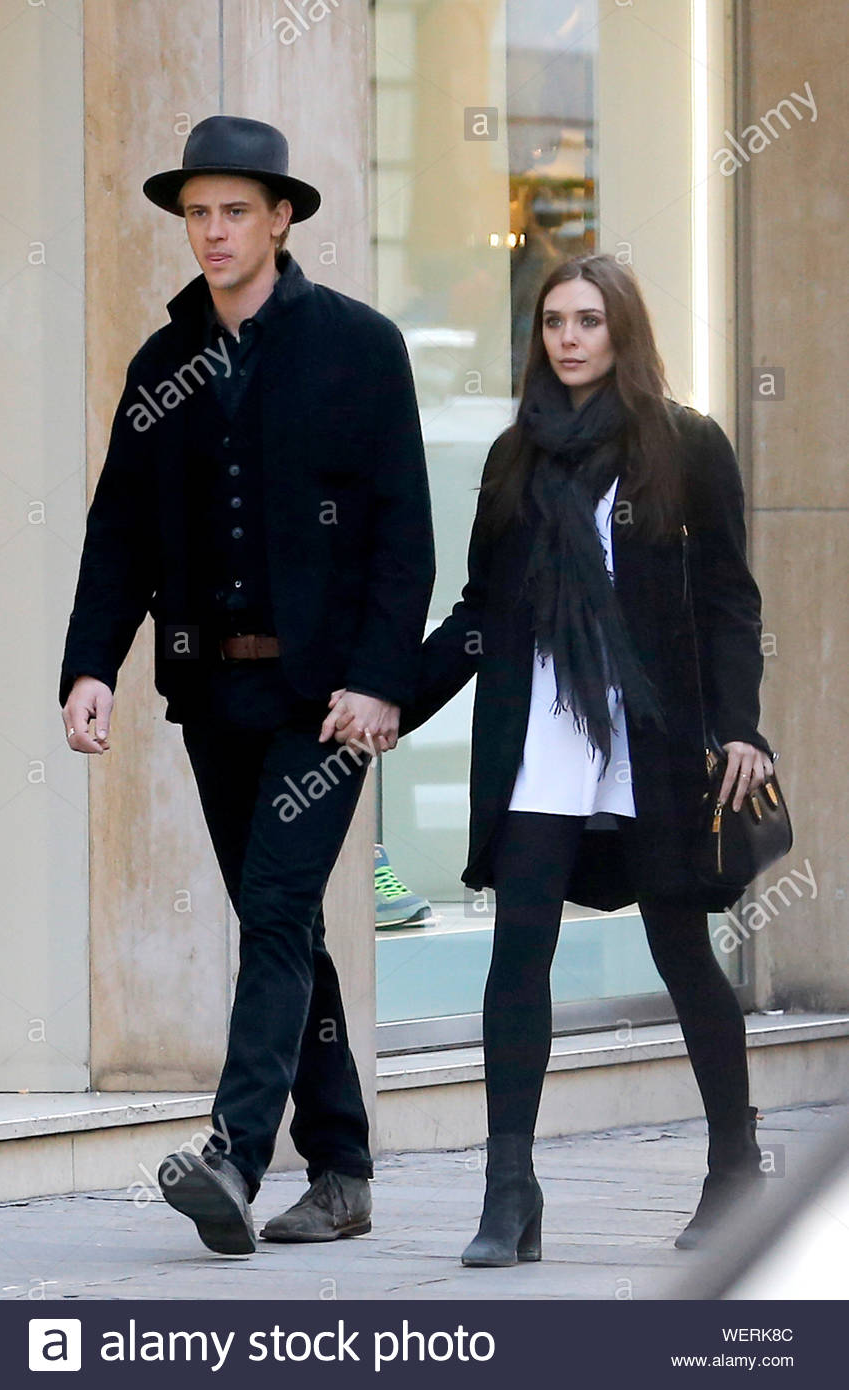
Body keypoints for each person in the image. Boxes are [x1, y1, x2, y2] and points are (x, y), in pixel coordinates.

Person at [345, 252, 773, 1262]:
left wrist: (741, 728)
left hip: (651, 739)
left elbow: (724, 600)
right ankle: (509, 1193)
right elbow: (479, 613)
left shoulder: (685, 447)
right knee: (516, 953)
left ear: (620, 329)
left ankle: (731, 1168)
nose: (568, 338)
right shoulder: (513, 457)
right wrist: (390, 696)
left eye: (586, 320)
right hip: (538, 735)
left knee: (681, 952)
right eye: (551, 322)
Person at [59, 116, 435, 1255]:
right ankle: (343, 1170)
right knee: (283, 927)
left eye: (234, 211)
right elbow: (117, 529)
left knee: (274, 909)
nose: (213, 231)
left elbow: (401, 536)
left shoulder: (359, 347)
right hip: (208, 697)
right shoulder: (161, 366)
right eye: (197, 214)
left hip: (324, 701)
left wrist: (379, 683)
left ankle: (231, 1148)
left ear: (280, 218)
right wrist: (90, 663)